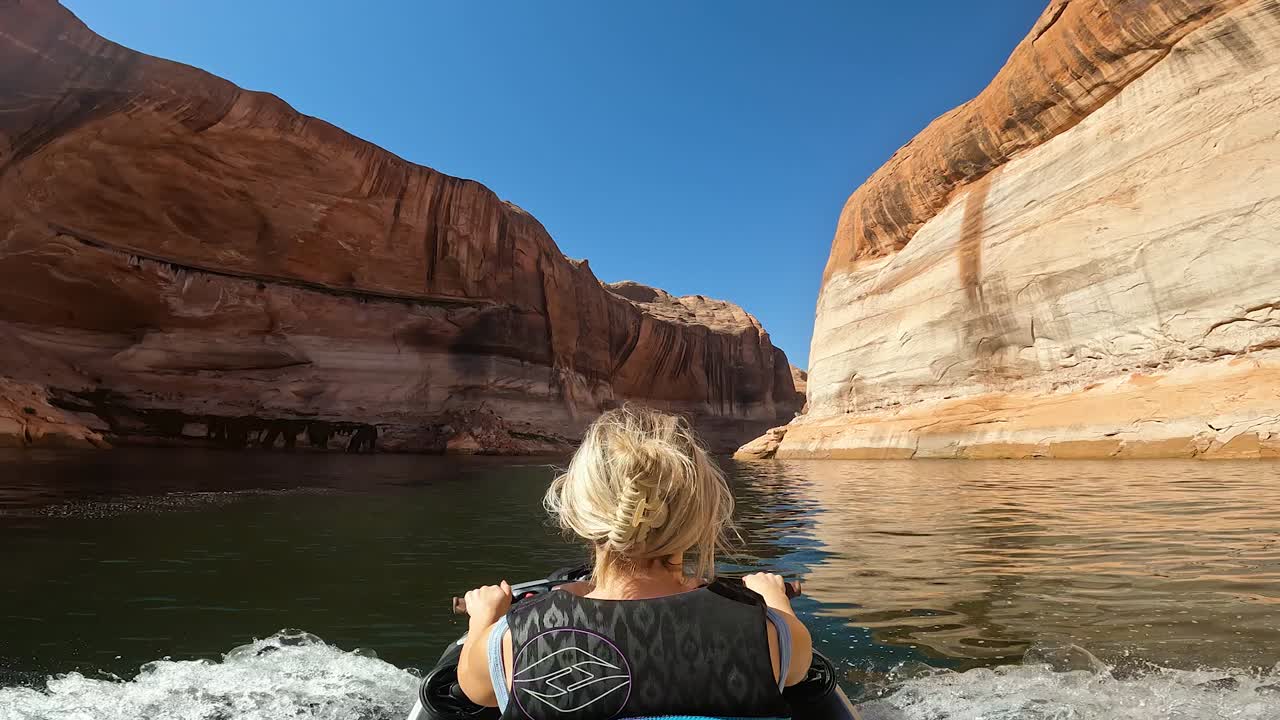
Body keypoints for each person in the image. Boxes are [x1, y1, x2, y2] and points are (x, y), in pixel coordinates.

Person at [457, 406, 813, 719]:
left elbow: (475, 690)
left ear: (579, 508)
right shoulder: (770, 636)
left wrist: (484, 616)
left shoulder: (512, 640)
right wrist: (773, 598)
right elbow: (799, 665)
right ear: (701, 515)